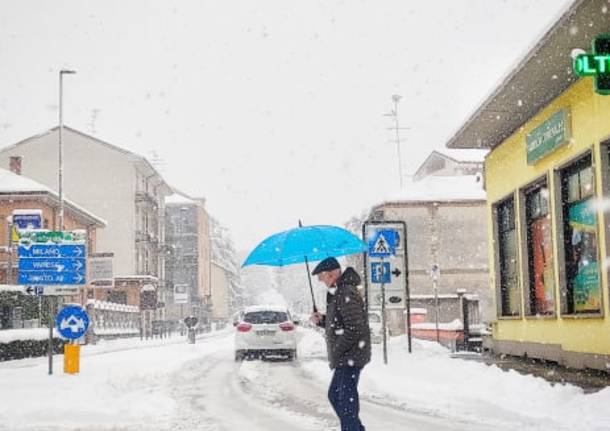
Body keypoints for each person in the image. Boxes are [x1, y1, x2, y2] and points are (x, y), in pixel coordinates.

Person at [310, 257, 370, 431]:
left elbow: (354, 328)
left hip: (351, 355)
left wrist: (337, 349)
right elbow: (341, 323)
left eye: (322, 277)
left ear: (331, 274)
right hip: (348, 355)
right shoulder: (340, 292)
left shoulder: (345, 292)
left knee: (343, 399)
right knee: (338, 396)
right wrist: (322, 320)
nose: (322, 282)